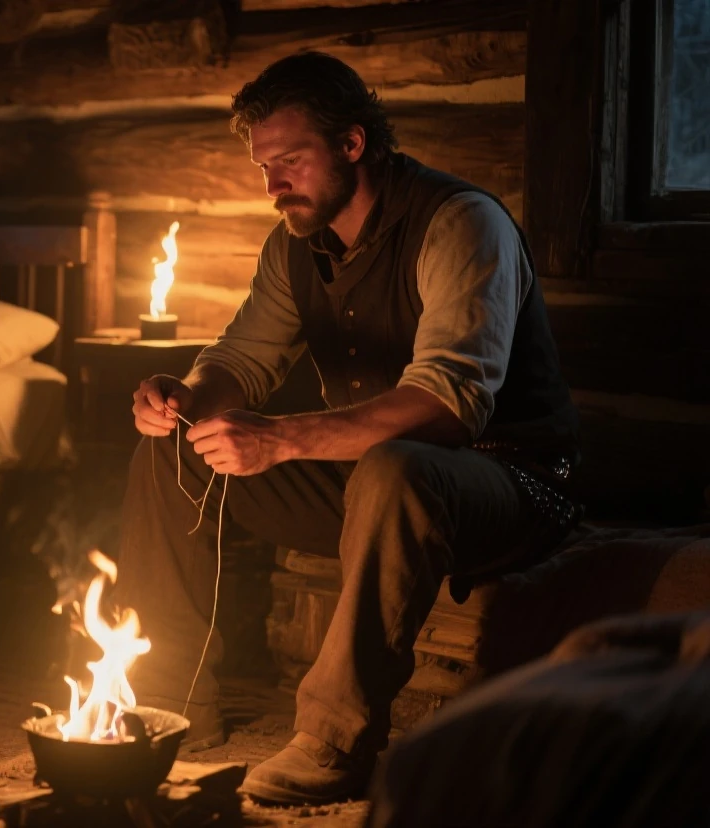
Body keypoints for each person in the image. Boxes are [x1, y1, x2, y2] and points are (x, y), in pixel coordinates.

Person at [113, 52, 580, 805]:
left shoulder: (461, 223)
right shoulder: (294, 246)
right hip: (369, 476)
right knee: (175, 453)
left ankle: (336, 741)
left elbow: (448, 405)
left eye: (290, 162)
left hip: (507, 481)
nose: (273, 187)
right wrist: (187, 399)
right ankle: (171, 700)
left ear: (353, 144)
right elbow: (241, 357)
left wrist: (280, 439)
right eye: (264, 167)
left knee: (398, 467)